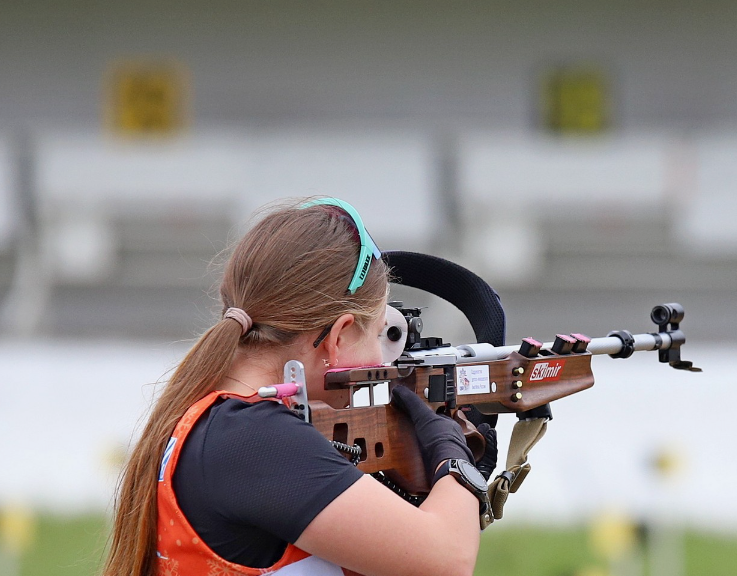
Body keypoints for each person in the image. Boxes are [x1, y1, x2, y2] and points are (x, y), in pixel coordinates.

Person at [103, 198, 489, 576]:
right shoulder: (254, 439)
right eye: (380, 334)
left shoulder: (226, 425)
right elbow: (447, 561)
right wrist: (454, 456)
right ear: (337, 337)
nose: (384, 361)